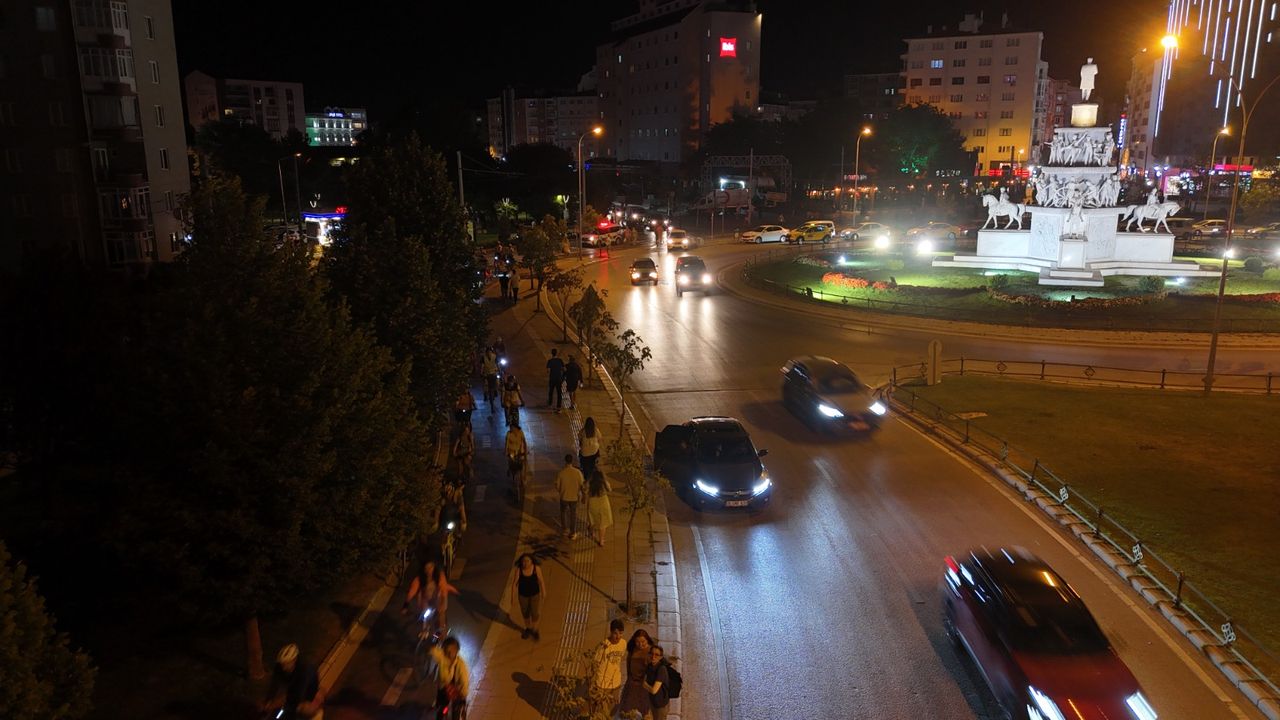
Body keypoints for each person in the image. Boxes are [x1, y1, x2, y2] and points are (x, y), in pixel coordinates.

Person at [262, 644, 325, 719]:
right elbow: (274, 684)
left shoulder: (304, 671)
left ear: (294, 660)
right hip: (295, 688)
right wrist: (268, 701)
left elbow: (298, 695)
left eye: (287, 664)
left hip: (309, 691)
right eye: (282, 664)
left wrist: (277, 704)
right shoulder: (279, 668)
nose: (284, 667)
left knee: (300, 709)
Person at [590, 620, 628, 718]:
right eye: (615, 633)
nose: (618, 636)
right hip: (602, 683)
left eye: (620, 633)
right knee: (601, 710)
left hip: (615, 683)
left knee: (612, 709)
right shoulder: (604, 645)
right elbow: (595, 663)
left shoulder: (623, 643)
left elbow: (620, 659)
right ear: (611, 632)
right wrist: (594, 682)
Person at [403, 560, 451, 631]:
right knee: (425, 615)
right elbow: (412, 591)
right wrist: (406, 605)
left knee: (441, 616)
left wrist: (443, 602)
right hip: (426, 600)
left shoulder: (440, 576)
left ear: (434, 567)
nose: (429, 570)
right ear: (424, 570)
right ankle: (425, 629)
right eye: (426, 568)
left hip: (439, 598)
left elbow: (443, 589)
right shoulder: (420, 579)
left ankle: (442, 633)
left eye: (431, 567)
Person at [429, 636, 470, 717]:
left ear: (456, 651)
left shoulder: (461, 665)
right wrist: (432, 640)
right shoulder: (442, 657)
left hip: (457, 691)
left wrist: (463, 694)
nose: (448, 654)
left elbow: (464, 682)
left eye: (451, 651)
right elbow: (433, 650)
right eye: (446, 651)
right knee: (440, 710)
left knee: (456, 713)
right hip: (443, 688)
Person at [617, 630, 653, 719]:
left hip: (644, 686)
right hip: (632, 683)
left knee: (643, 710)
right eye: (637, 642)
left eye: (643, 642)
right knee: (627, 709)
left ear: (647, 640)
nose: (640, 644)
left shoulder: (652, 652)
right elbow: (628, 666)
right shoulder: (633, 649)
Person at [510, 553, 546, 640]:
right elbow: (514, 584)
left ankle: (534, 629)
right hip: (523, 595)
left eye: (527, 561)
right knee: (525, 613)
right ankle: (528, 628)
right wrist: (512, 597)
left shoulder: (536, 569)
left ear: (531, 561)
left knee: (534, 613)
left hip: (534, 594)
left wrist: (543, 592)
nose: (525, 563)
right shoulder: (519, 570)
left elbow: (541, 581)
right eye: (523, 561)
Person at [555, 453, 585, 539]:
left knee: (563, 512)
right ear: (572, 461)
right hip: (574, 497)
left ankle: (565, 529)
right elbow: (582, 485)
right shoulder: (578, 473)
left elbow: (557, 485)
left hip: (564, 496)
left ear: (565, 461)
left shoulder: (561, 473)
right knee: (573, 514)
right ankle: (573, 532)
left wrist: (561, 491)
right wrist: (582, 495)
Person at [586, 470, 613, 547]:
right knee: (603, 522)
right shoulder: (604, 483)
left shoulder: (589, 483)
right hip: (603, 502)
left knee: (592, 519)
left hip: (592, 502)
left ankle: (591, 531)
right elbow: (610, 490)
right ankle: (601, 541)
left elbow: (585, 490)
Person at [644, 645, 672, 720]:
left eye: (656, 655)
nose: (653, 656)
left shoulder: (661, 669)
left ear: (661, 657)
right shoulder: (650, 666)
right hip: (653, 702)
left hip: (660, 704)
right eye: (652, 654)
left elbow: (653, 690)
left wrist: (644, 684)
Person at [505, 420, 528, 495]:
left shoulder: (520, 432)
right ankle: (510, 472)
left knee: (522, 466)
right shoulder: (508, 434)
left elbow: (524, 442)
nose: (510, 429)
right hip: (511, 452)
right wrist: (506, 451)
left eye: (512, 428)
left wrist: (525, 451)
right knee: (511, 463)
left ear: (515, 428)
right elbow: (506, 443)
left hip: (519, 452)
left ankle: (522, 479)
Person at [578, 417, 601, 482]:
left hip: (584, 453)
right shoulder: (596, 430)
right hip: (594, 452)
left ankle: (586, 476)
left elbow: (579, 438)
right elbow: (600, 438)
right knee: (593, 461)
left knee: (585, 464)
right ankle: (593, 468)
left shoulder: (583, 431)